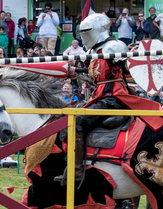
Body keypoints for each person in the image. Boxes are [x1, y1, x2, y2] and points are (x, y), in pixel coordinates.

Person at [54, 13, 163, 183]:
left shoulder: (114, 46)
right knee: (68, 112)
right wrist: (78, 74)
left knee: (77, 120)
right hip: (100, 96)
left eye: (87, 31)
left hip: (113, 97)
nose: (84, 35)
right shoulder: (95, 51)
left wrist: (127, 58)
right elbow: (97, 79)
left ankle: (76, 172)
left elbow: (126, 69)